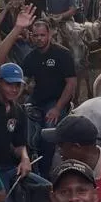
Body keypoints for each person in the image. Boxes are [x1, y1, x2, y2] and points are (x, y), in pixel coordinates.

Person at [0, 4, 52, 202]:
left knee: (50, 192)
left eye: (17, 85)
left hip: (11, 169)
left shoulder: (18, 111)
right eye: (9, 83)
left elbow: (19, 145)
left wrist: (25, 159)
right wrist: (17, 29)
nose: (14, 89)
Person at [22, 20, 77, 177]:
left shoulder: (62, 54)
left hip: (56, 101)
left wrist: (58, 108)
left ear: (50, 34)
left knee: (47, 134)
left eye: (42, 35)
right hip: (36, 100)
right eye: (36, 35)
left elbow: (71, 83)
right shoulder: (30, 57)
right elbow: (23, 82)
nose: (39, 38)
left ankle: (46, 174)